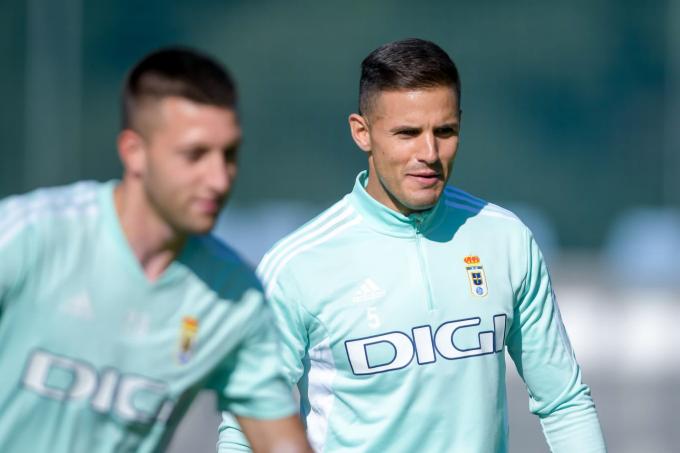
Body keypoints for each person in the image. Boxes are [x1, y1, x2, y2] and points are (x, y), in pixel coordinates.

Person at [218, 38, 606, 452]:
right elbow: (245, 430)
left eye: (445, 131)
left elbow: (564, 402)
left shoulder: (505, 239)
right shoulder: (297, 265)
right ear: (362, 133)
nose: (429, 153)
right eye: (407, 133)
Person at [0, 47, 311, 453]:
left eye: (229, 154)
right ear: (134, 152)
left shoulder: (234, 297)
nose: (219, 179)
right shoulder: (28, 236)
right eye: (195, 155)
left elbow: (281, 446)